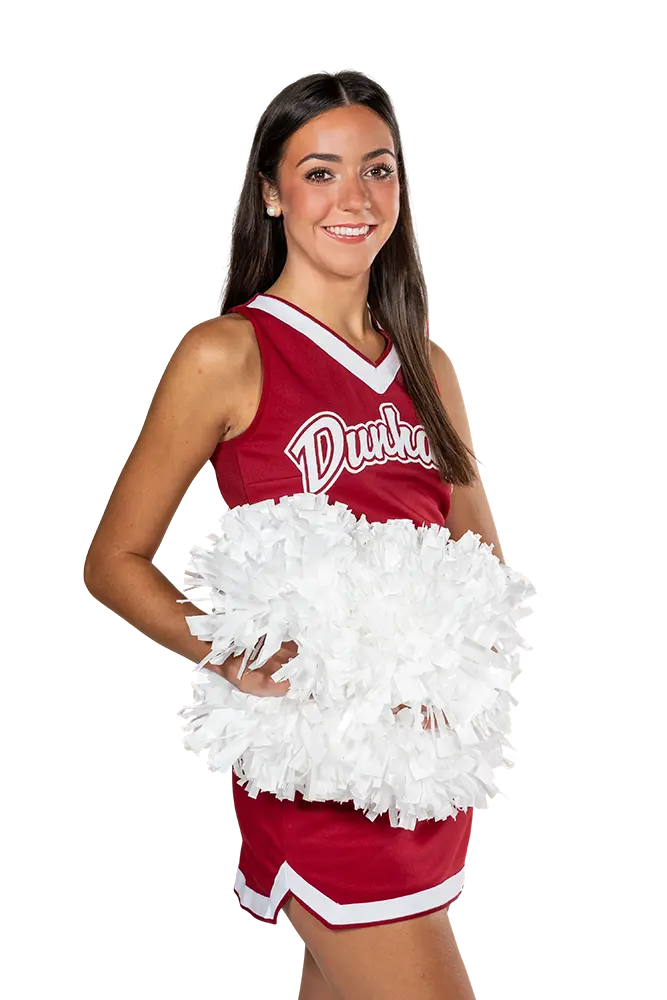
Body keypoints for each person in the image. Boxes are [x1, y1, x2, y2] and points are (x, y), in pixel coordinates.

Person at [84, 69, 506, 1000]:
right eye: (320, 172)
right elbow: (112, 561)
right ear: (271, 194)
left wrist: (442, 667)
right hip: (315, 765)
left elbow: (482, 559)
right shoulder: (226, 352)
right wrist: (230, 657)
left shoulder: (427, 361)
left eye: (378, 170)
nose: (355, 199)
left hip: (417, 764)